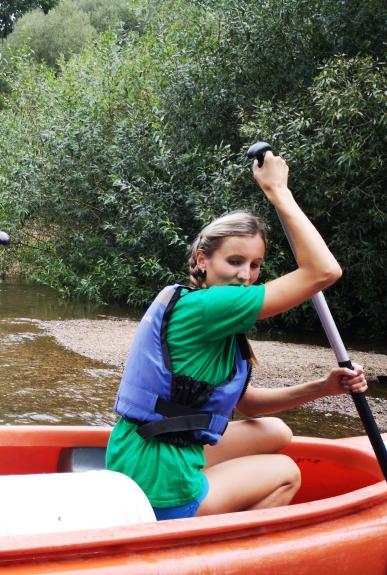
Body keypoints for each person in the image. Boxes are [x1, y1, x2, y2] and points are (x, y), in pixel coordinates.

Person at [106, 148, 367, 520]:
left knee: (275, 432)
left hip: (136, 458)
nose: (245, 275)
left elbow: (248, 405)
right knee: (287, 473)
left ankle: (212, 493)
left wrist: (324, 387)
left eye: (255, 264)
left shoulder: (202, 310)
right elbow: (324, 271)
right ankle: (218, 539)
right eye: (234, 261)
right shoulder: (211, 307)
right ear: (202, 260)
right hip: (159, 487)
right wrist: (279, 192)